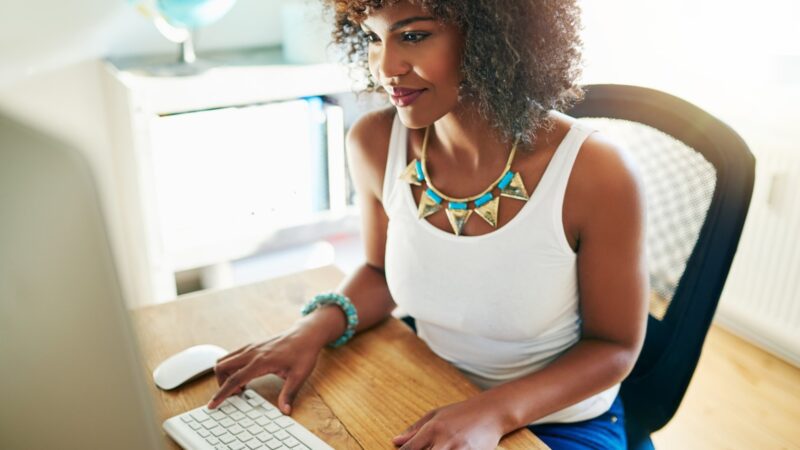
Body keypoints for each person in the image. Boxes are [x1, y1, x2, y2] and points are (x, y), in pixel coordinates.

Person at [209, 0, 649, 448]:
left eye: (413, 36)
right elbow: (380, 272)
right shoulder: (375, 142)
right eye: (373, 37)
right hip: (429, 387)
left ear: (492, 36)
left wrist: (492, 412)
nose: (386, 68)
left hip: (560, 422)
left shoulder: (596, 172)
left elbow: (613, 348)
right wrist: (310, 330)